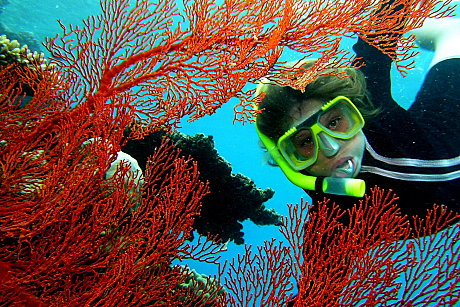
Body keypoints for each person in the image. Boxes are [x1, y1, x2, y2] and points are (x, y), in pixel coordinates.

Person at [254, 16, 460, 219]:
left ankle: (427, 24)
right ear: (288, 157)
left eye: (334, 122)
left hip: (447, 116)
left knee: (454, 33)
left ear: (353, 110)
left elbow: (381, 25)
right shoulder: (331, 223)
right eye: (306, 141)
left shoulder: (366, 98)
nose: (331, 148)